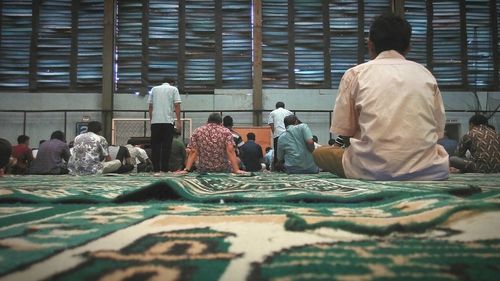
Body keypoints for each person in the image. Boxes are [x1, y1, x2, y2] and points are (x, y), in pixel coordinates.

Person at [313, 13, 449, 181]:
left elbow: (345, 131)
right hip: (429, 170)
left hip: (370, 170)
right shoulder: (425, 75)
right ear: (408, 47)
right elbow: (438, 132)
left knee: (320, 153)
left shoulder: (355, 74)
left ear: (371, 45)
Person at [180, 113, 244, 174]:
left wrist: (187, 169)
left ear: (207, 122)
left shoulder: (198, 131)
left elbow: (193, 151)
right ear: (221, 123)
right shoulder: (226, 132)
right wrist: (236, 170)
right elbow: (230, 150)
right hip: (222, 170)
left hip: (203, 169)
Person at [148, 77, 182, 172]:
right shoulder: (173, 89)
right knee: (166, 146)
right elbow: (177, 105)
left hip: (155, 122)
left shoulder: (154, 89)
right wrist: (178, 121)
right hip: (167, 121)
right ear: (172, 83)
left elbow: (150, 106)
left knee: (155, 146)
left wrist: (151, 120)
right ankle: (165, 169)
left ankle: (156, 169)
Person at [268, 101, 293, 171]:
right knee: (289, 151)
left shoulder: (273, 113)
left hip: (278, 135)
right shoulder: (289, 112)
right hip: (288, 134)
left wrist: (274, 133)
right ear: (284, 106)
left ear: (276, 107)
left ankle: (277, 168)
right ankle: (288, 166)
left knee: (277, 152)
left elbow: (271, 124)